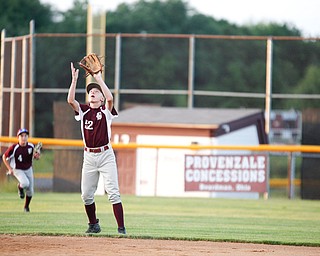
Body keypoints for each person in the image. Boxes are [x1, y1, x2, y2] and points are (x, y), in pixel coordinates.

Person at [67, 62, 126, 235]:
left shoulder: (105, 111)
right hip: (89, 157)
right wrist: (74, 80)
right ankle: (93, 225)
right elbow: (70, 100)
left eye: (96, 91)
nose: (92, 92)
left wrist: (98, 77)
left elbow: (110, 99)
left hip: (106, 155)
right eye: (90, 91)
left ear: (100, 98)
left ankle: (121, 229)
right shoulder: (84, 111)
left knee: (113, 193)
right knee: (86, 195)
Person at [2, 128, 41, 212]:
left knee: (30, 191)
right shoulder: (14, 147)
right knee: (25, 183)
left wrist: (37, 156)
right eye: (21, 136)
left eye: (25, 136)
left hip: (28, 169)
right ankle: (20, 188)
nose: (24, 138)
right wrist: (9, 168)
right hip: (17, 169)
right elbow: (4, 157)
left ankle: (26, 207)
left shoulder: (31, 146)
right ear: (18, 138)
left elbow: (36, 156)